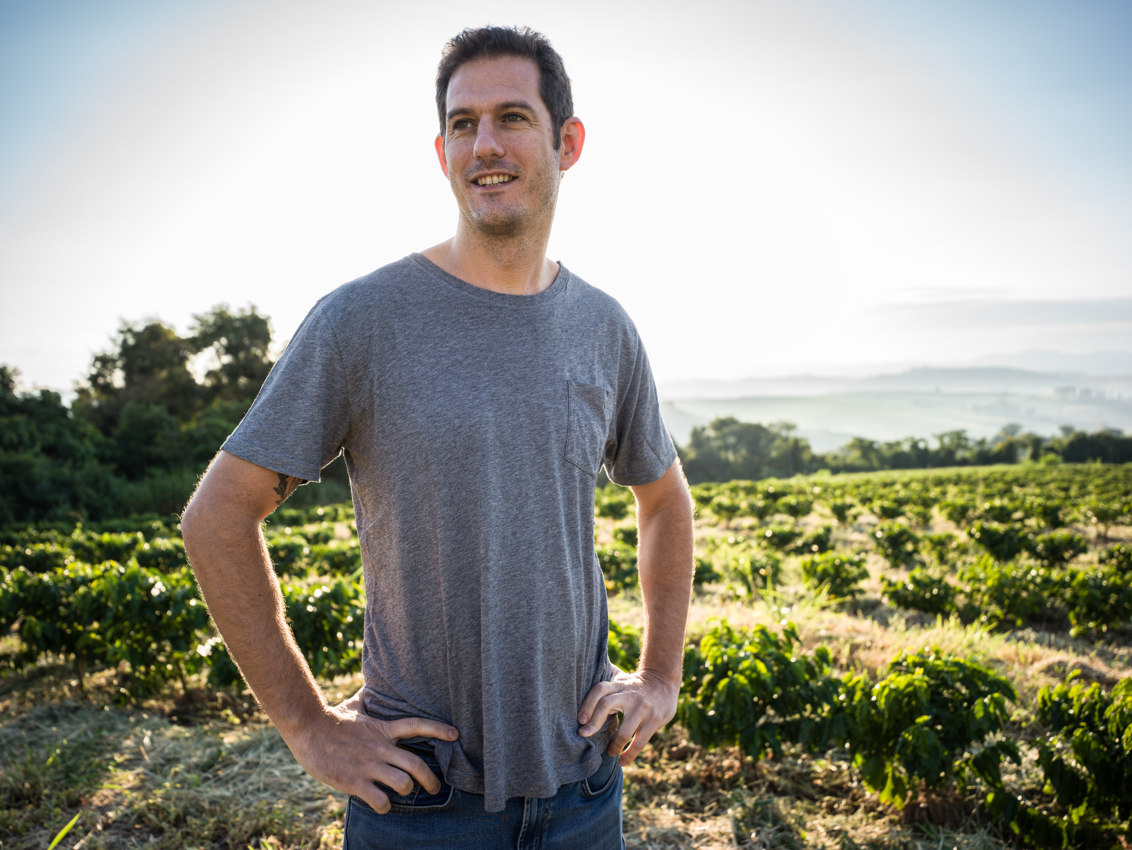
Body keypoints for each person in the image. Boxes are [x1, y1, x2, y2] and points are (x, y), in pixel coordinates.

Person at [181, 25, 694, 850]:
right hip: (423, 805)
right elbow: (217, 517)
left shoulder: (604, 327)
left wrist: (661, 677)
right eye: (463, 124)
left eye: (512, 118)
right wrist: (309, 727)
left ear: (567, 142)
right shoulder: (362, 320)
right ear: (442, 151)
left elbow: (665, 499)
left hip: (586, 791)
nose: (484, 144)